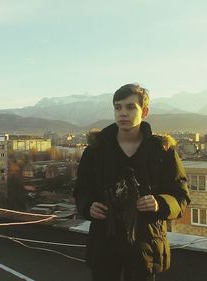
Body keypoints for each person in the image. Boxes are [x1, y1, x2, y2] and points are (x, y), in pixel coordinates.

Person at [73, 83, 191, 281]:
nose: (122, 113)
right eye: (118, 107)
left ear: (144, 111)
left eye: (130, 107)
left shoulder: (162, 151)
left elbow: (181, 197)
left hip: (144, 249)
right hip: (104, 247)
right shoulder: (96, 151)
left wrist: (159, 203)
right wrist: (88, 206)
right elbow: (82, 190)